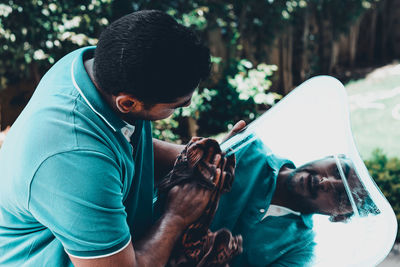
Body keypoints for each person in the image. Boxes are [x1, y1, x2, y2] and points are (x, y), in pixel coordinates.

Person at [0, 10, 244, 267]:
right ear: (127, 103)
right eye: (177, 105)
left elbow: (119, 145)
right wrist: (176, 217)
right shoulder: (74, 161)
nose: (189, 104)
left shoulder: (99, 67)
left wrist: (198, 156)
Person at [211, 138, 367, 266]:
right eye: (337, 170)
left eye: (340, 196)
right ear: (330, 157)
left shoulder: (299, 252)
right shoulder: (248, 148)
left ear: (340, 217)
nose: (326, 182)